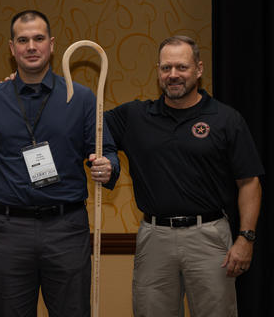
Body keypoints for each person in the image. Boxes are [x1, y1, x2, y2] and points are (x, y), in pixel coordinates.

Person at [0, 10, 120, 317]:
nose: (31, 46)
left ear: (52, 44)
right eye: (23, 40)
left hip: (67, 230)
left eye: (38, 38)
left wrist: (108, 166)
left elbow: (107, 152)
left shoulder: (82, 99)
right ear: (11, 48)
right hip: (8, 233)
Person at [104, 36, 263, 316]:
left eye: (181, 67)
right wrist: (20, 86)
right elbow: (84, 123)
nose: (173, 75)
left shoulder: (226, 119)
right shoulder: (135, 117)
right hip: (154, 237)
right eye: (166, 68)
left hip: (209, 236)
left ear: (199, 69)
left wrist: (246, 238)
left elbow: (249, 182)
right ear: (158, 71)